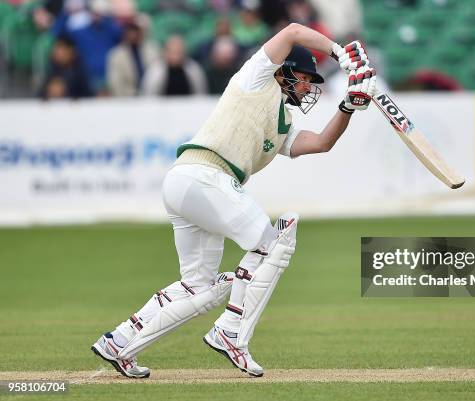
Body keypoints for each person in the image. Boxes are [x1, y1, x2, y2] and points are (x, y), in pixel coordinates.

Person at [91, 22, 376, 379]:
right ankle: (231, 332)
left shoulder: (283, 120)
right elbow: (290, 31)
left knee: (201, 287)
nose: (308, 87)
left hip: (187, 183)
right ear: (285, 71)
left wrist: (348, 105)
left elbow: (320, 142)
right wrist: (340, 53)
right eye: (305, 78)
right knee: (276, 244)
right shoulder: (256, 76)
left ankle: (119, 341)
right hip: (205, 177)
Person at [141, 34, 207, 96]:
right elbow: (149, 95)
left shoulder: (194, 70)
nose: (175, 56)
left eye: (178, 51)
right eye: (172, 51)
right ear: (165, 51)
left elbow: (201, 94)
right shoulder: (155, 71)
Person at [107, 21, 160, 97]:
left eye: (135, 33)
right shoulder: (116, 55)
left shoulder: (153, 50)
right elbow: (115, 82)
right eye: (130, 33)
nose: (133, 36)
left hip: (151, 96)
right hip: (127, 98)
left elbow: (158, 75)